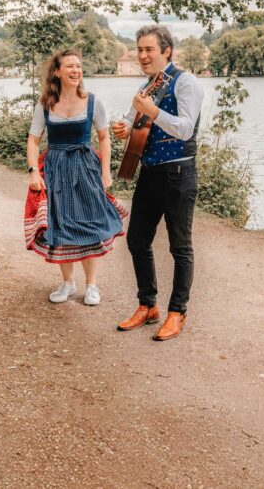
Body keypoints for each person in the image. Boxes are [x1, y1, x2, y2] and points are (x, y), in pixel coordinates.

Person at [113, 25, 203, 341]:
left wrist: (152, 111)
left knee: (180, 247)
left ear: (167, 51)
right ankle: (148, 306)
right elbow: (132, 120)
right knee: (137, 240)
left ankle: (177, 312)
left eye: (149, 49)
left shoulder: (186, 82)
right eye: (139, 49)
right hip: (149, 173)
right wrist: (123, 128)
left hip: (178, 174)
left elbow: (186, 128)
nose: (142, 55)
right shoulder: (147, 86)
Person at [24, 49, 127, 305]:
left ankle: (91, 285)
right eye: (69, 66)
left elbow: (104, 137)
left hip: (85, 167)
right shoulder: (45, 104)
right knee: (60, 223)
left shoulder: (93, 102)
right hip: (56, 168)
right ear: (57, 72)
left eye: (78, 66)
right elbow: (33, 140)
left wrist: (105, 172)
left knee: (89, 222)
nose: (76, 70)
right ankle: (68, 283)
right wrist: (34, 171)